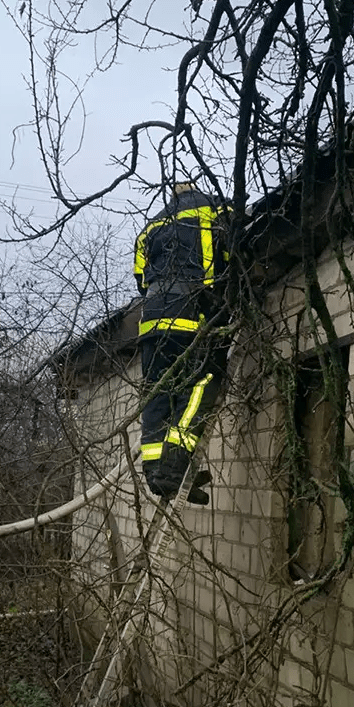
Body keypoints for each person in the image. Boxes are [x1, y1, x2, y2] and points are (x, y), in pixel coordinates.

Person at [133, 180, 231, 504]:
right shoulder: (218, 210)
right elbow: (234, 252)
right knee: (203, 381)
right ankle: (174, 467)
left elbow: (140, 280)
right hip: (191, 314)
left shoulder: (150, 227)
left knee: (157, 390)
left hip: (151, 322)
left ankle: (155, 472)